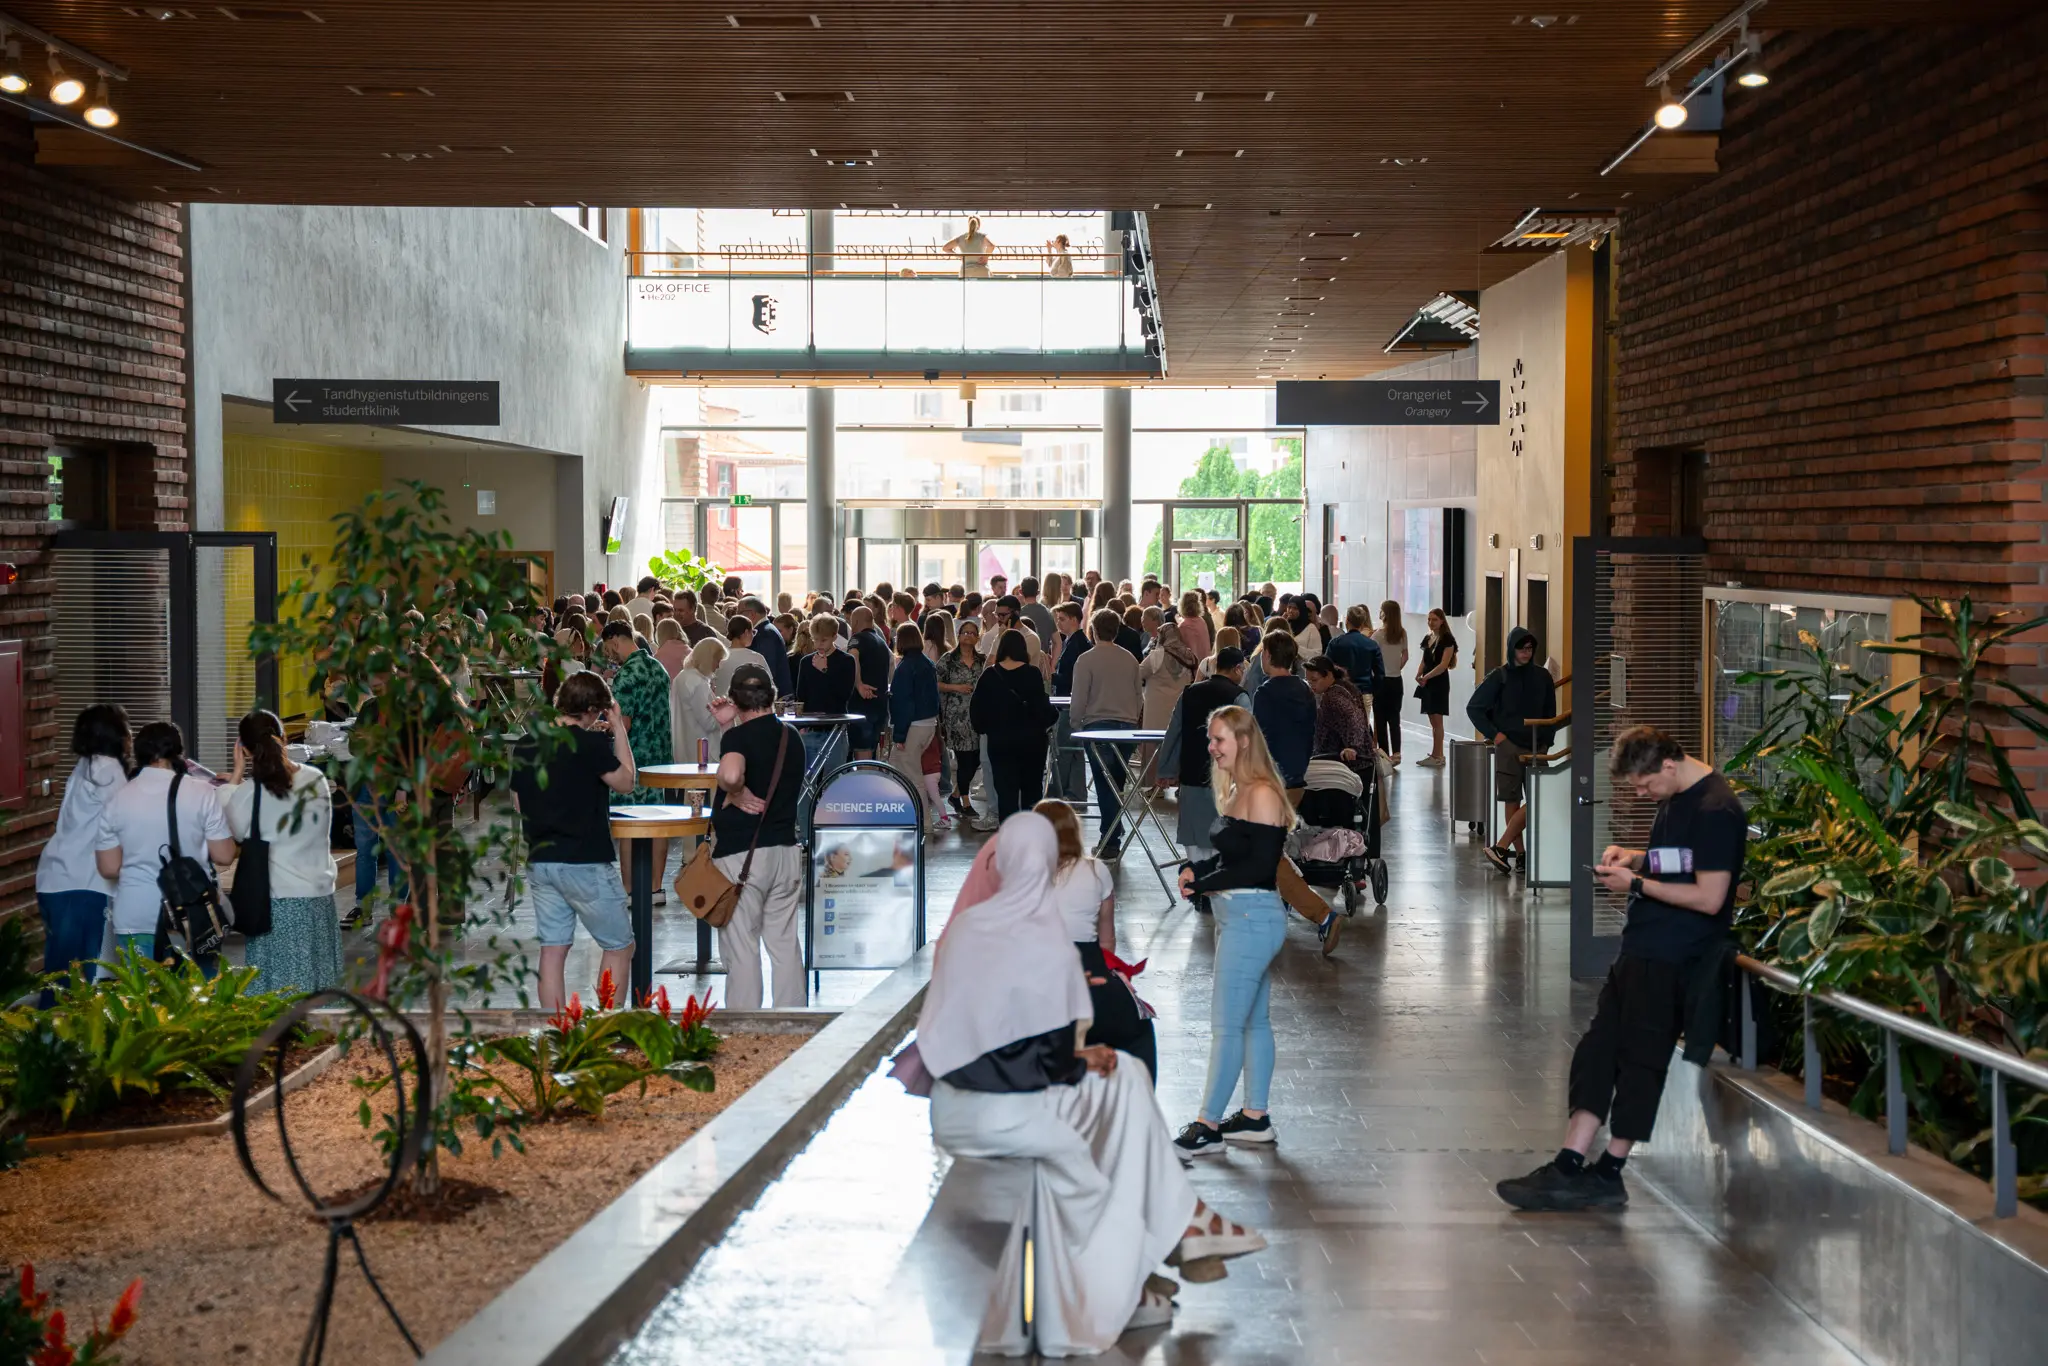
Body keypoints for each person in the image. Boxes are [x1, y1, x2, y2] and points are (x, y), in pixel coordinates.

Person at [918, 812, 1266, 1352]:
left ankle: (1185, 1230)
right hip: (1010, 1111)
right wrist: (1080, 1059)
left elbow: (977, 1039)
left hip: (955, 1105)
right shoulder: (1042, 939)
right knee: (1113, 1123)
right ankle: (1155, 1258)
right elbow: (1047, 1055)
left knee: (1124, 1079)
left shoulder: (968, 927)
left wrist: (1077, 1058)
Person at [1498, 726, 1748, 1212]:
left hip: (1675, 955)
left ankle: (1609, 1171)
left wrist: (1634, 883)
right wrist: (1635, 857)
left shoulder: (1717, 809)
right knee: (1597, 1052)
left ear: (1669, 765)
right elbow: (1686, 859)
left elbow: (1710, 895)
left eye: (1645, 785)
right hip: (1642, 948)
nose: (1641, 794)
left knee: (1640, 1062)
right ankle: (1569, 1164)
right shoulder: (1678, 796)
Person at [1173, 705, 1296, 1154]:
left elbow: (1260, 868)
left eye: (1219, 739)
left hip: (1252, 918)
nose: (1211, 747)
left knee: (1226, 1026)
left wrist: (1203, 883)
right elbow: (1233, 858)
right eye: (1210, 739)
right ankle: (1254, 1118)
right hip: (1239, 917)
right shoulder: (1240, 789)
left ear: (1243, 741)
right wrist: (1196, 870)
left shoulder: (1262, 793)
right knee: (1252, 1021)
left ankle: (1206, 1125)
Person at [510, 672, 639, 1011]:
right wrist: (618, 728)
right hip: (584, 860)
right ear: (594, 710)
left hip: (541, 860)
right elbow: (626, 782)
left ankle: (554, 1029)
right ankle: (606, 1027)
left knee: (553, 949)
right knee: (619, 946)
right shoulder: (590, 745)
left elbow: (519, 803)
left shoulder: (526, 744)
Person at [94, 721, 236, 969]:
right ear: (178, 751)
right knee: (198, 991)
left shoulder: (117, 798)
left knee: (144, 992)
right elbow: (224, 855)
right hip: (192, 914)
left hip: (136, 914)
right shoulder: (202, 792)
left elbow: (109, 868)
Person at [708, 665, 809, 1009]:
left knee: (742, 947)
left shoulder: (738, 739)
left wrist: (734, 791)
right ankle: (792, 1022)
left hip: (743, 856)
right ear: (771, 695)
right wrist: (728, 726)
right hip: (785, 851)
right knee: (784, 944)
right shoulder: (790, 737)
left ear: (735, 699)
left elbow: (731, 773)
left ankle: (744, 1027)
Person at [1037, 798, 1157, 1085]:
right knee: (1139, 1028)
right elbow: (1107, 941)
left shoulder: (1017, 875)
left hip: (1038, 981)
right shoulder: (1096, 870)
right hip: (1090, 974)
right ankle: (1137, 1097)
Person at [223, 710, 342, 994]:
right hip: (318, 900)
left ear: (245, 750)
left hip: (273, 905)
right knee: (318, 989)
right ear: (284, 738)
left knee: (274, 995)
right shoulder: (316, 779)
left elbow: (234, 830)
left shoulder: (248, 793)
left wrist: (236, 776)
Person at [35, 704, 130, 1002]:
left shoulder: (85, 766)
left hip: (56, 879)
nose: (130, 735)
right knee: (81, 980)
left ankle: (49, 1029)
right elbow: (124, 822)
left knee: (59, 976)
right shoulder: (108, 770)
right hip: (84, 883)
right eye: (126, 727)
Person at [1467, 626, 1557, 876]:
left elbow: (1550, 712)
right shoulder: (1500, 676)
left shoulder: (1543, 677)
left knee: (1540, 797)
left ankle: (1501, 846)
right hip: (1509, 747)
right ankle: (1521, 854)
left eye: (1530, 648)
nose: (1526, 653)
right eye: (1521, 648)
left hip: (1537, 746)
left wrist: (1547, 742)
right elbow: (1474, 708)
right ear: (1512, 649)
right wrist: (1497, 736)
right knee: (1512, 799)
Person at [601, 620, 675, 902]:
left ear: (615, 640)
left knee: (627, 824)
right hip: (661, 759)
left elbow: (625, 724)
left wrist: (605, 726)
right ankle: (656, 887)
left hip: (633, 758)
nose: (609, 656)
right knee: (659, 823)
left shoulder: (626, 676)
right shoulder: (658, 668)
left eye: (608, 649)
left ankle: (629, 889)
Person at [1070, 608, 1143, 857]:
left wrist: (1076, 723)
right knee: (1117, 782)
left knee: (1103, 784)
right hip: (1127, 727)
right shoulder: (1130, 659)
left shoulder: (1086, 659)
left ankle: (1110, 840)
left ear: (1093, 630)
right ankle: (1114, 829)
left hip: (1098, 727)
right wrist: (1132, 719)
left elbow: (1079, 698)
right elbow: (1138, 695)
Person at [970, 629, 1058, 820]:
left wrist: (987, 729)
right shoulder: (1032, 674)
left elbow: (976, 711)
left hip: (1000, 743)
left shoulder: (989, 675)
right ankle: (1029, 833)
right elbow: (1043, 709)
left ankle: (1009, 833)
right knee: (1031, 794)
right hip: (1031, 744)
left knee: (1006, 795)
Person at [937, 618, 994, 831]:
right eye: (965, 632)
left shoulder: (982, 661)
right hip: (956, 716)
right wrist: (956, 687)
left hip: (978, 715)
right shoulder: (948, 659)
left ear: (977, 637)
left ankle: (955, 795)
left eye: (972, 633)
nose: (968, 636)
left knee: (977, 757)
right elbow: (936, 682)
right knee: (964, 759)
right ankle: (965, 801)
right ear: (959, 635)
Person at [889, 621, 945, 831]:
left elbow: (903, 703)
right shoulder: (927, 663)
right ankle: (913, 817)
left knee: (912, 776)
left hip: (912, 726)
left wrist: (899, 735)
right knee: (903, 769)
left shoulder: (905, 667)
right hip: (928, 725)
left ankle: (923, 822)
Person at [1250, 630, 1316, 796]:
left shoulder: (1265, 693)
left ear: (1267, 654)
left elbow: (1260, 738)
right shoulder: (1306, 690)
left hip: (1273, 775)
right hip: (1300, 771)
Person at [670, 636, 727, 766]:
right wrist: (724, 710)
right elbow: (708, 723)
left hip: (686, 748)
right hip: (702, 752)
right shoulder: (698, 683)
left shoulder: (682, 676)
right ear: (708, 659)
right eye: (717, 660)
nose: (718, 666)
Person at [1414, 607, 1459, 766]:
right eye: (1429, 619)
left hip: (1438, 682)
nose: (1431, 622)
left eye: (1434, 619)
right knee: (1432, 719)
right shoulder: (1428, 638)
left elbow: (1443, 665)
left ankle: (1438, 755)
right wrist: (1419, 674)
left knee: (1437, 720)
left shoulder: (1447, 639)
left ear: (1441, 621)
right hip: (1427, 681)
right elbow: (1424, 660)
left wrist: (1426, 677)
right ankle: (1436, 754)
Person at [847, 604, 892, 760]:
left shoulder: (857, 639)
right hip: (880, 705)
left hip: (862, 707)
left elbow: (853, 657)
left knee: (862, 754)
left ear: (856, 622)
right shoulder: (882, 642)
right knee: (873, 754)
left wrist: (858, 684)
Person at [1371, 601, 1409, 765]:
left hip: (1381, 680)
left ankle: (1385, 754)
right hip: (1396, 680)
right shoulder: (1402, 633)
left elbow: (1371, 656)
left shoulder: (1378, 635)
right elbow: (1405, 656)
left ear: (1384, 614)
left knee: (1380, 719)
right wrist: (1396, 667)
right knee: (1394, 718)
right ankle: (1397, 753)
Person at [1140, 618, 1195, 732]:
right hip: (1178, 709)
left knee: (1153, 740)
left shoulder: (1157, 656)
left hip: (1156, 710)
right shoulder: (1188, 656)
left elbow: (1139, 674)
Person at [738, 596, 794, 698]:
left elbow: (765, 672)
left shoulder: (764, 635)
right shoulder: (767, 630)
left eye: (739, 613)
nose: (737, 617)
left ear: (752, 614)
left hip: (775, 698)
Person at [1326, 604, 1384, 699]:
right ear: (1362, 623)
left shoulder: (1335, 643)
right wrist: (1373, 690)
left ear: (1347, 621)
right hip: (1364, 692)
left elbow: (1326, 667)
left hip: (1342, 691)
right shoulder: (1372, 645)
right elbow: (1380, 674)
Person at [713, 613, 769, 699]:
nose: (753, 636)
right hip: (746, 704)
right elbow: (768, 685)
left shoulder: (718, 657)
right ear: (746, 632)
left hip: (721, 703)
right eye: (753, 632)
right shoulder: (756, 658)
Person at [1017, 575, 1057, 646]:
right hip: (1042, 652)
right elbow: (1057, 642)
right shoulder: (1047, 613)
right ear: (1038, 592)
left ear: (1020, 592)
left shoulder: (1018, 614)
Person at [1176, 591, 1210, 659]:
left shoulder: (1183, 626)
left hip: (1192, 664)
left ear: (1182, 605)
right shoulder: (1201, 621)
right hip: (1205, 662)